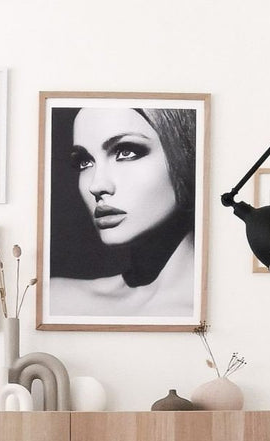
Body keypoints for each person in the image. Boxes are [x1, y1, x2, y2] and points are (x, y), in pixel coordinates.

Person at [48, 105, 197, 320]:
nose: (96, 185)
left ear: (187, 154)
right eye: (85, 161)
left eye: (126, 152)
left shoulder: (212, 318)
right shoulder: (55, 299)